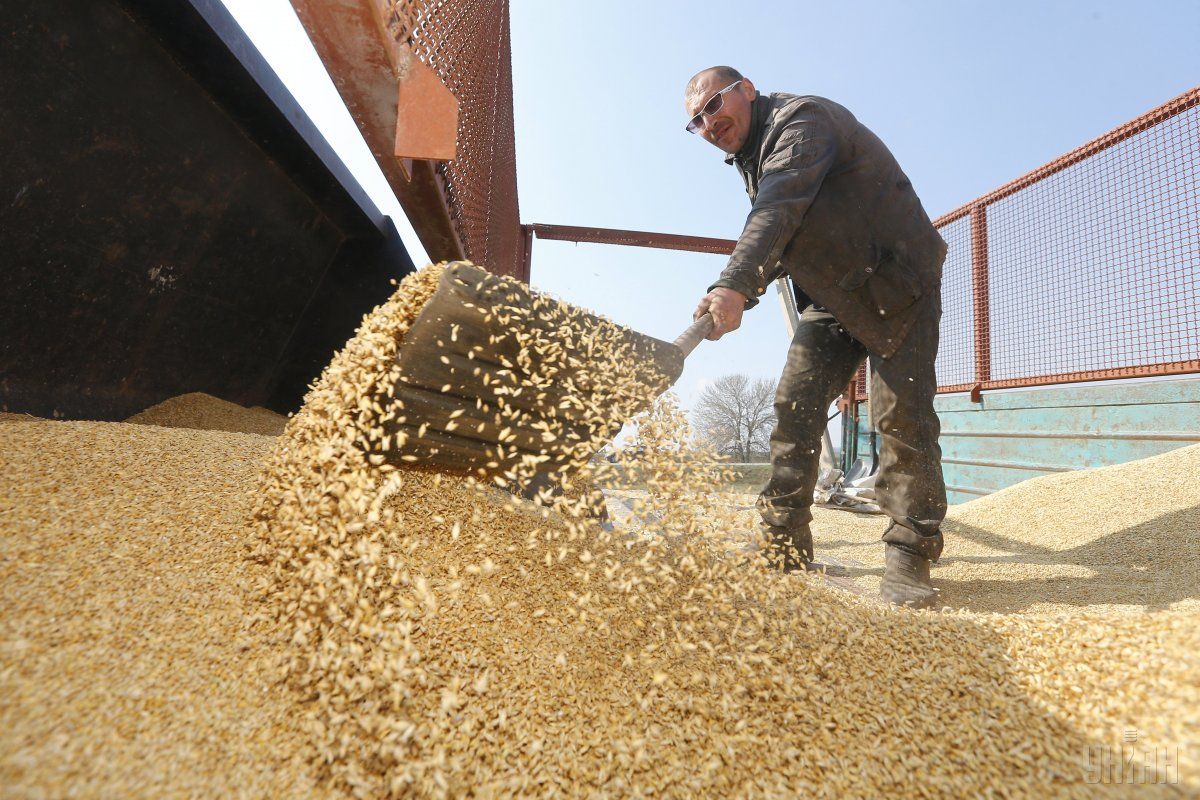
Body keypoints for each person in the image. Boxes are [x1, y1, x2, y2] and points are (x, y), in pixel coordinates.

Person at [685, 66, 948, 608]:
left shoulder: (802, 121)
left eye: (713, 105)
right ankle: (783, 540)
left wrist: (734, 284)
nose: (709, 123)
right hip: (833, 296)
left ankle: (911, 552)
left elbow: (779, 207)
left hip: (898, 279)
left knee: (901, 415)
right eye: (696, 121)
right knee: (794, 404)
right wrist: (734, 291)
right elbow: (784, 235)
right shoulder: (751, 157)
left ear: (747, 89)